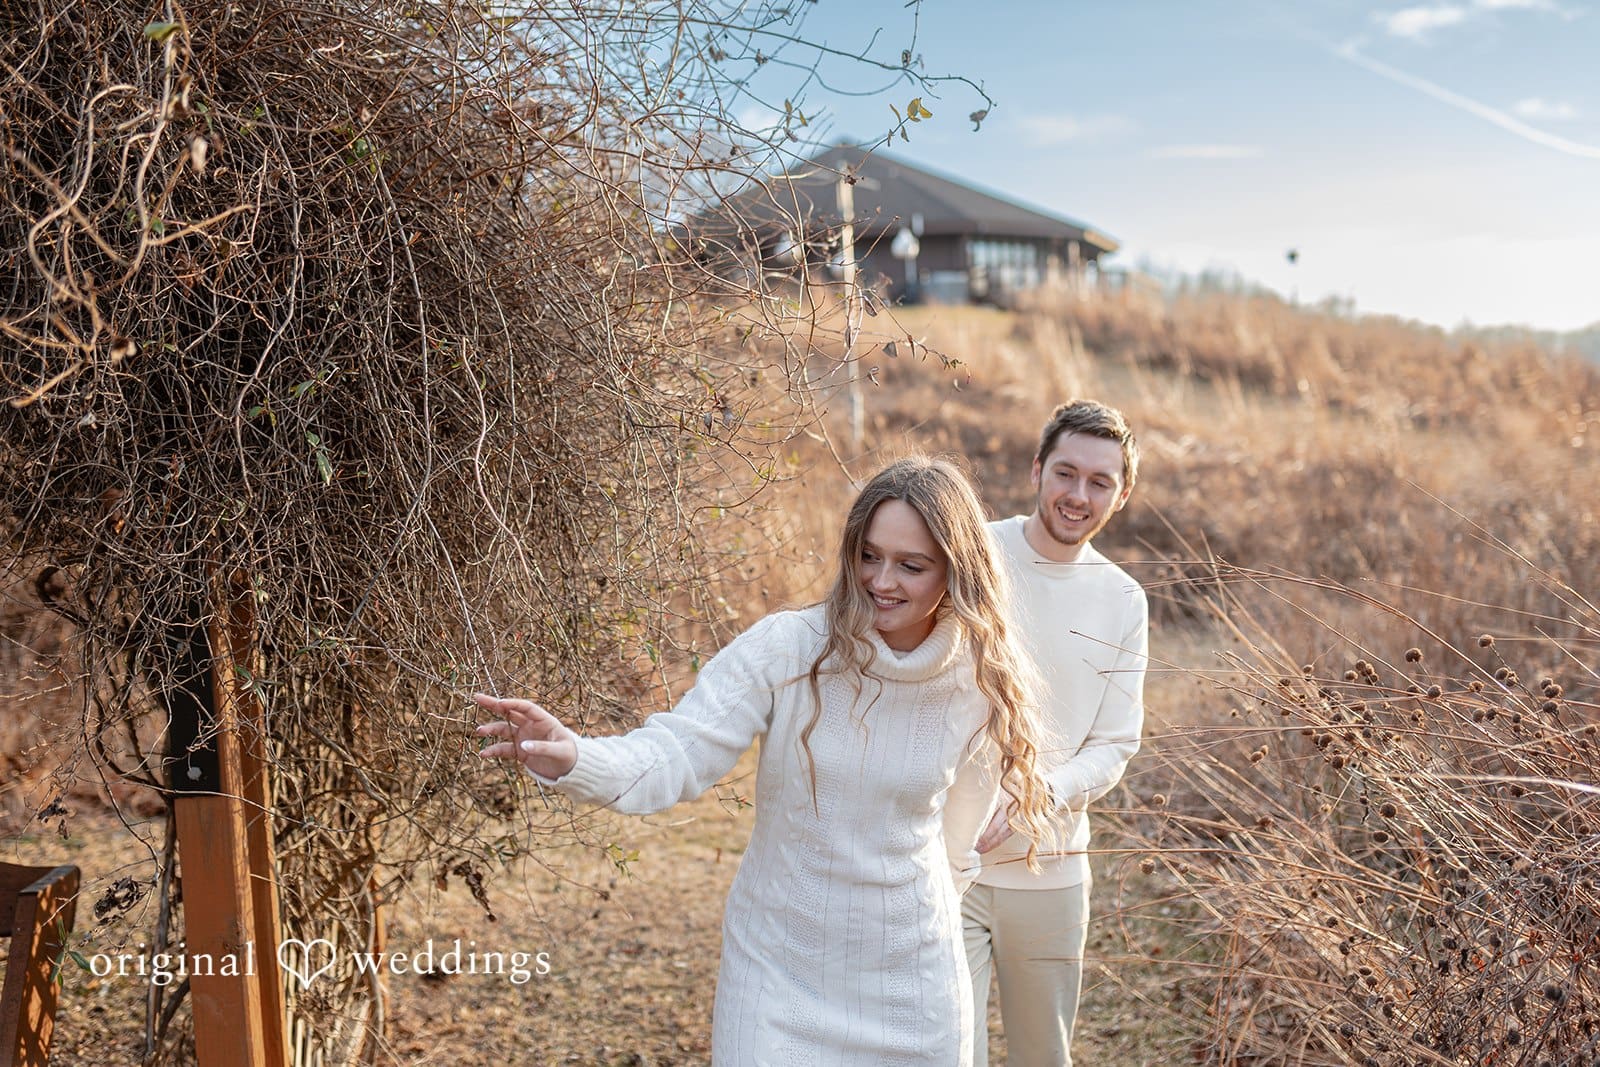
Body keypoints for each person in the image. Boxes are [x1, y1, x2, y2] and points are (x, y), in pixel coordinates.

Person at [475, 456, 1054, 1067]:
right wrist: (576, 757)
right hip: (779, 974)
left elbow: (956, 847)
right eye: (868, 556)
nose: (881, 581)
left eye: (911, 566)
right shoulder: (789, 649)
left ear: (955, 573)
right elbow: (679, 752)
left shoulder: (979, 681)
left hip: (914, 984)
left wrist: (898, 923)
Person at [963, 400, 1149, 1067]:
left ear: (1120, 494)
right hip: (946, 860)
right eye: (1065, 472)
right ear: (1037, 468)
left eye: (1099, 481)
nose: (1078, 494)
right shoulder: (974, 553)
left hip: (1053, 873)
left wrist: (1043, 791)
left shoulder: (1123, 598)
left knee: (1043, 1056)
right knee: (943, 1051)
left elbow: (1116, 743)